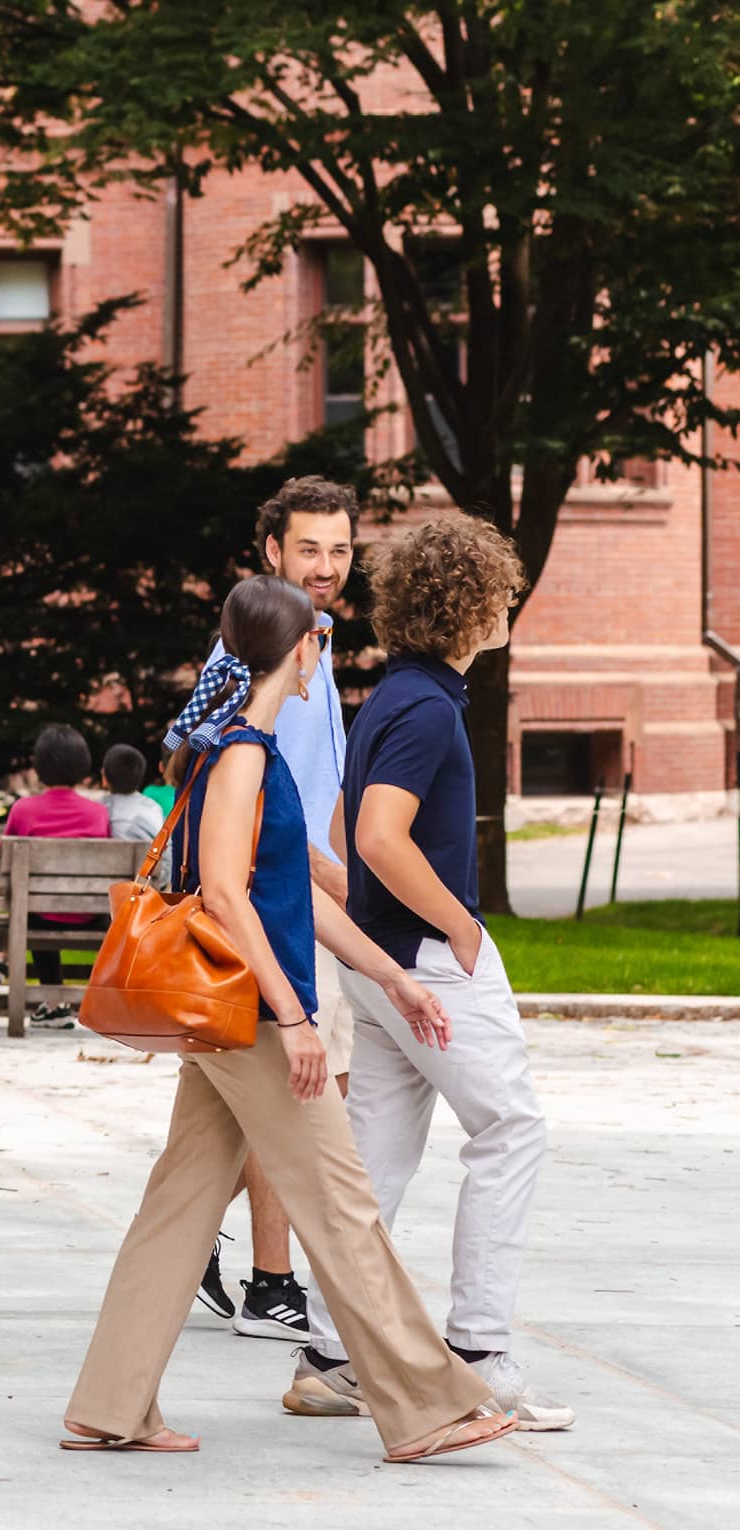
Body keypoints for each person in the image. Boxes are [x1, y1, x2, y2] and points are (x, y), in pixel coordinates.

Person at [61, 574, 516, 1462]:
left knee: (180, 1203)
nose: (326, 656)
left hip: (232, 1016)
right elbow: (228, 899)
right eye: (322, 640)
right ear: (301, 648)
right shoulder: (240, 756)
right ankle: (427, 1407)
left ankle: (110, 1405)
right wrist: (297, 1020)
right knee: (343, 1206)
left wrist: (393, 975)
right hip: (257, 1019)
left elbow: (298, 897)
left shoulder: (243, 749)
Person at [286, 516, 574, 1431]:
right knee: (511, 1130)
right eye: (500, 593)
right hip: (427, 963)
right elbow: (373, 835)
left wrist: (375, 914)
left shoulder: (391, 699)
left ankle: (332, 1356)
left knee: (372, 1160)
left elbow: (340, 835)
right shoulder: (429, 708)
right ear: (470, 604)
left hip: (379, 961)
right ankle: (481, 1352)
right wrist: (459, 925)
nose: (507, 607)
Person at [197, 476, 358, 1341]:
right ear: (272, 552)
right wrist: (334, 885)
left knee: (250, 1115)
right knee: (300, 1098)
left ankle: (193, 1246)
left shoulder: (317, 648)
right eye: (308, 548)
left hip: (302, 905)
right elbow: (245, 791)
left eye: (338, 548)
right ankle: (271, 1282)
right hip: (274, 914)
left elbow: (319, 786)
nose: (326, 565)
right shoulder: (259, 658)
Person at [2, 724, 110, 1029]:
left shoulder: (23, 810)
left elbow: (5, 856)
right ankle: (66, 1004)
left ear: (38, 766)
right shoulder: (97, 813)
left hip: (39, 912)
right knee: (42, 906)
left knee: (33, 908)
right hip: (90, 913)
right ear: (83, 766)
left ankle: (53, 1003)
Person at [100, 741, 169, 887]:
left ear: (104, 777)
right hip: (145, 893)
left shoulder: (99, 809)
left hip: (103, 892)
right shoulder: (154, 808)